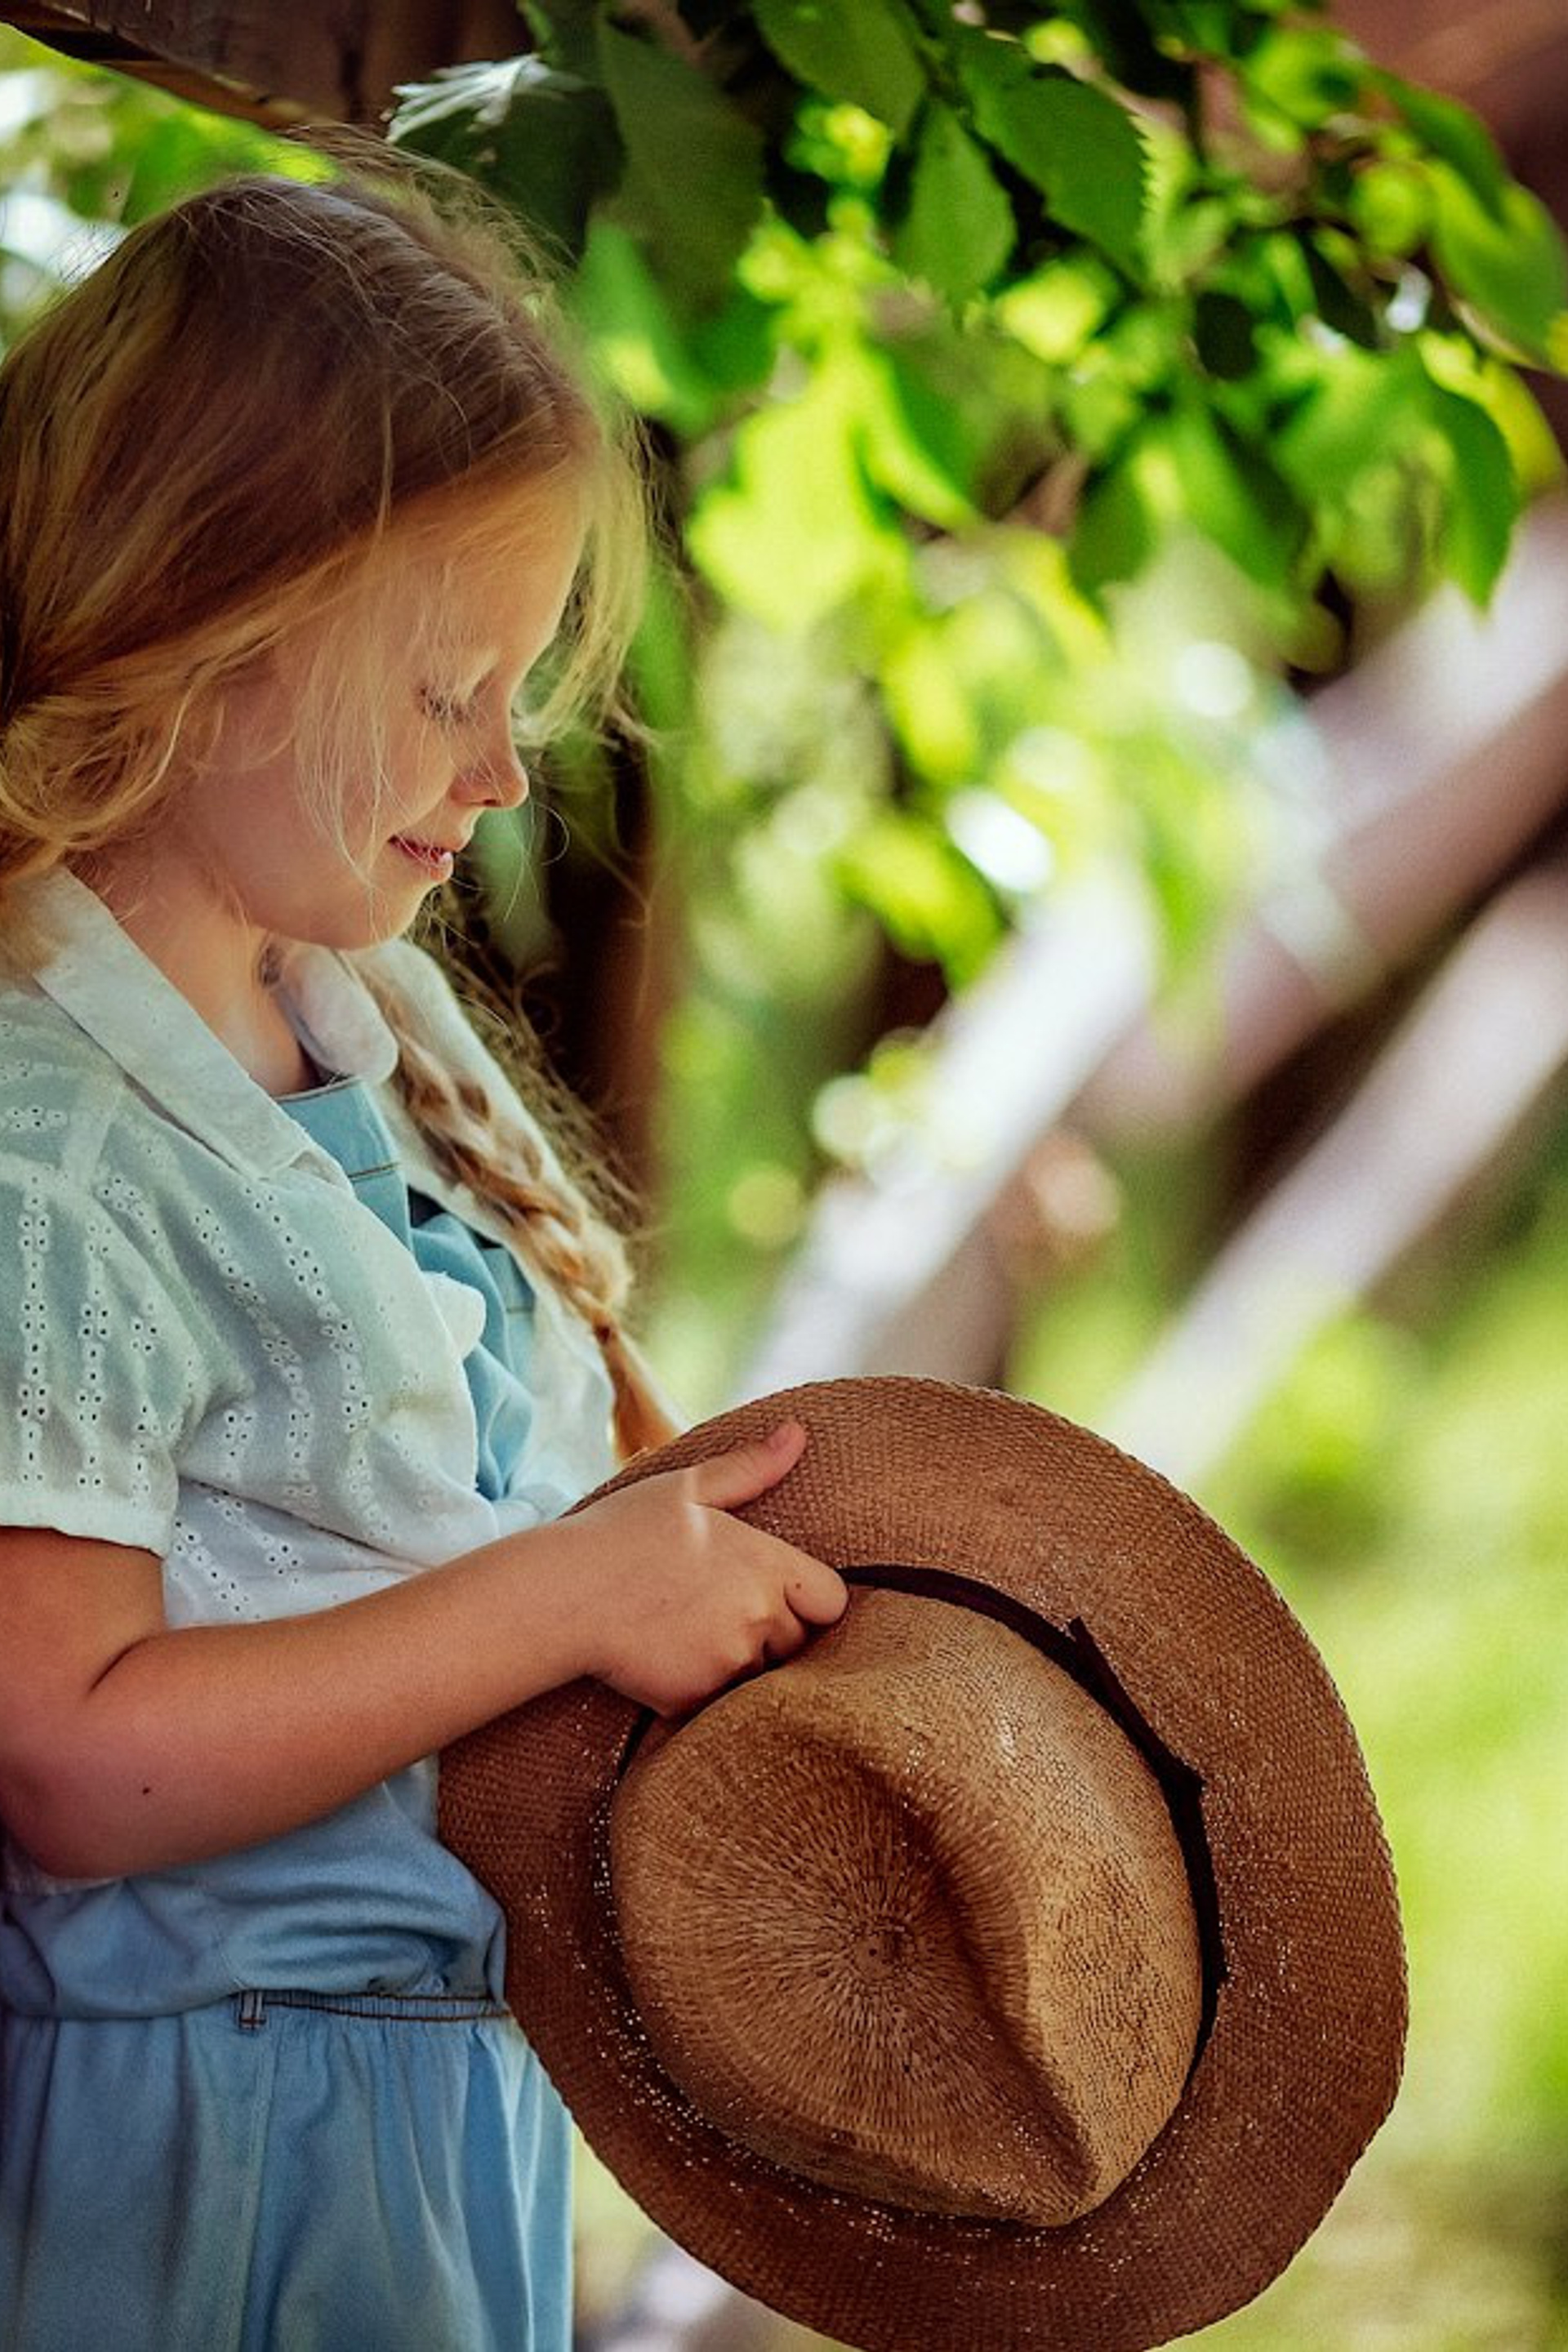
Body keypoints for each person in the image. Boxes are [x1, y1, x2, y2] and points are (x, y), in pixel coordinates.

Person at [0, 158, 848, 2352]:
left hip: (418, 2122)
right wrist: (564, 1598)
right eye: (450, 688)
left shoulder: (354, 1022)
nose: (500, 770)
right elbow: (69, 1763)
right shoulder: (54, 1150)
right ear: (216, 630)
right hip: (205, 2159)